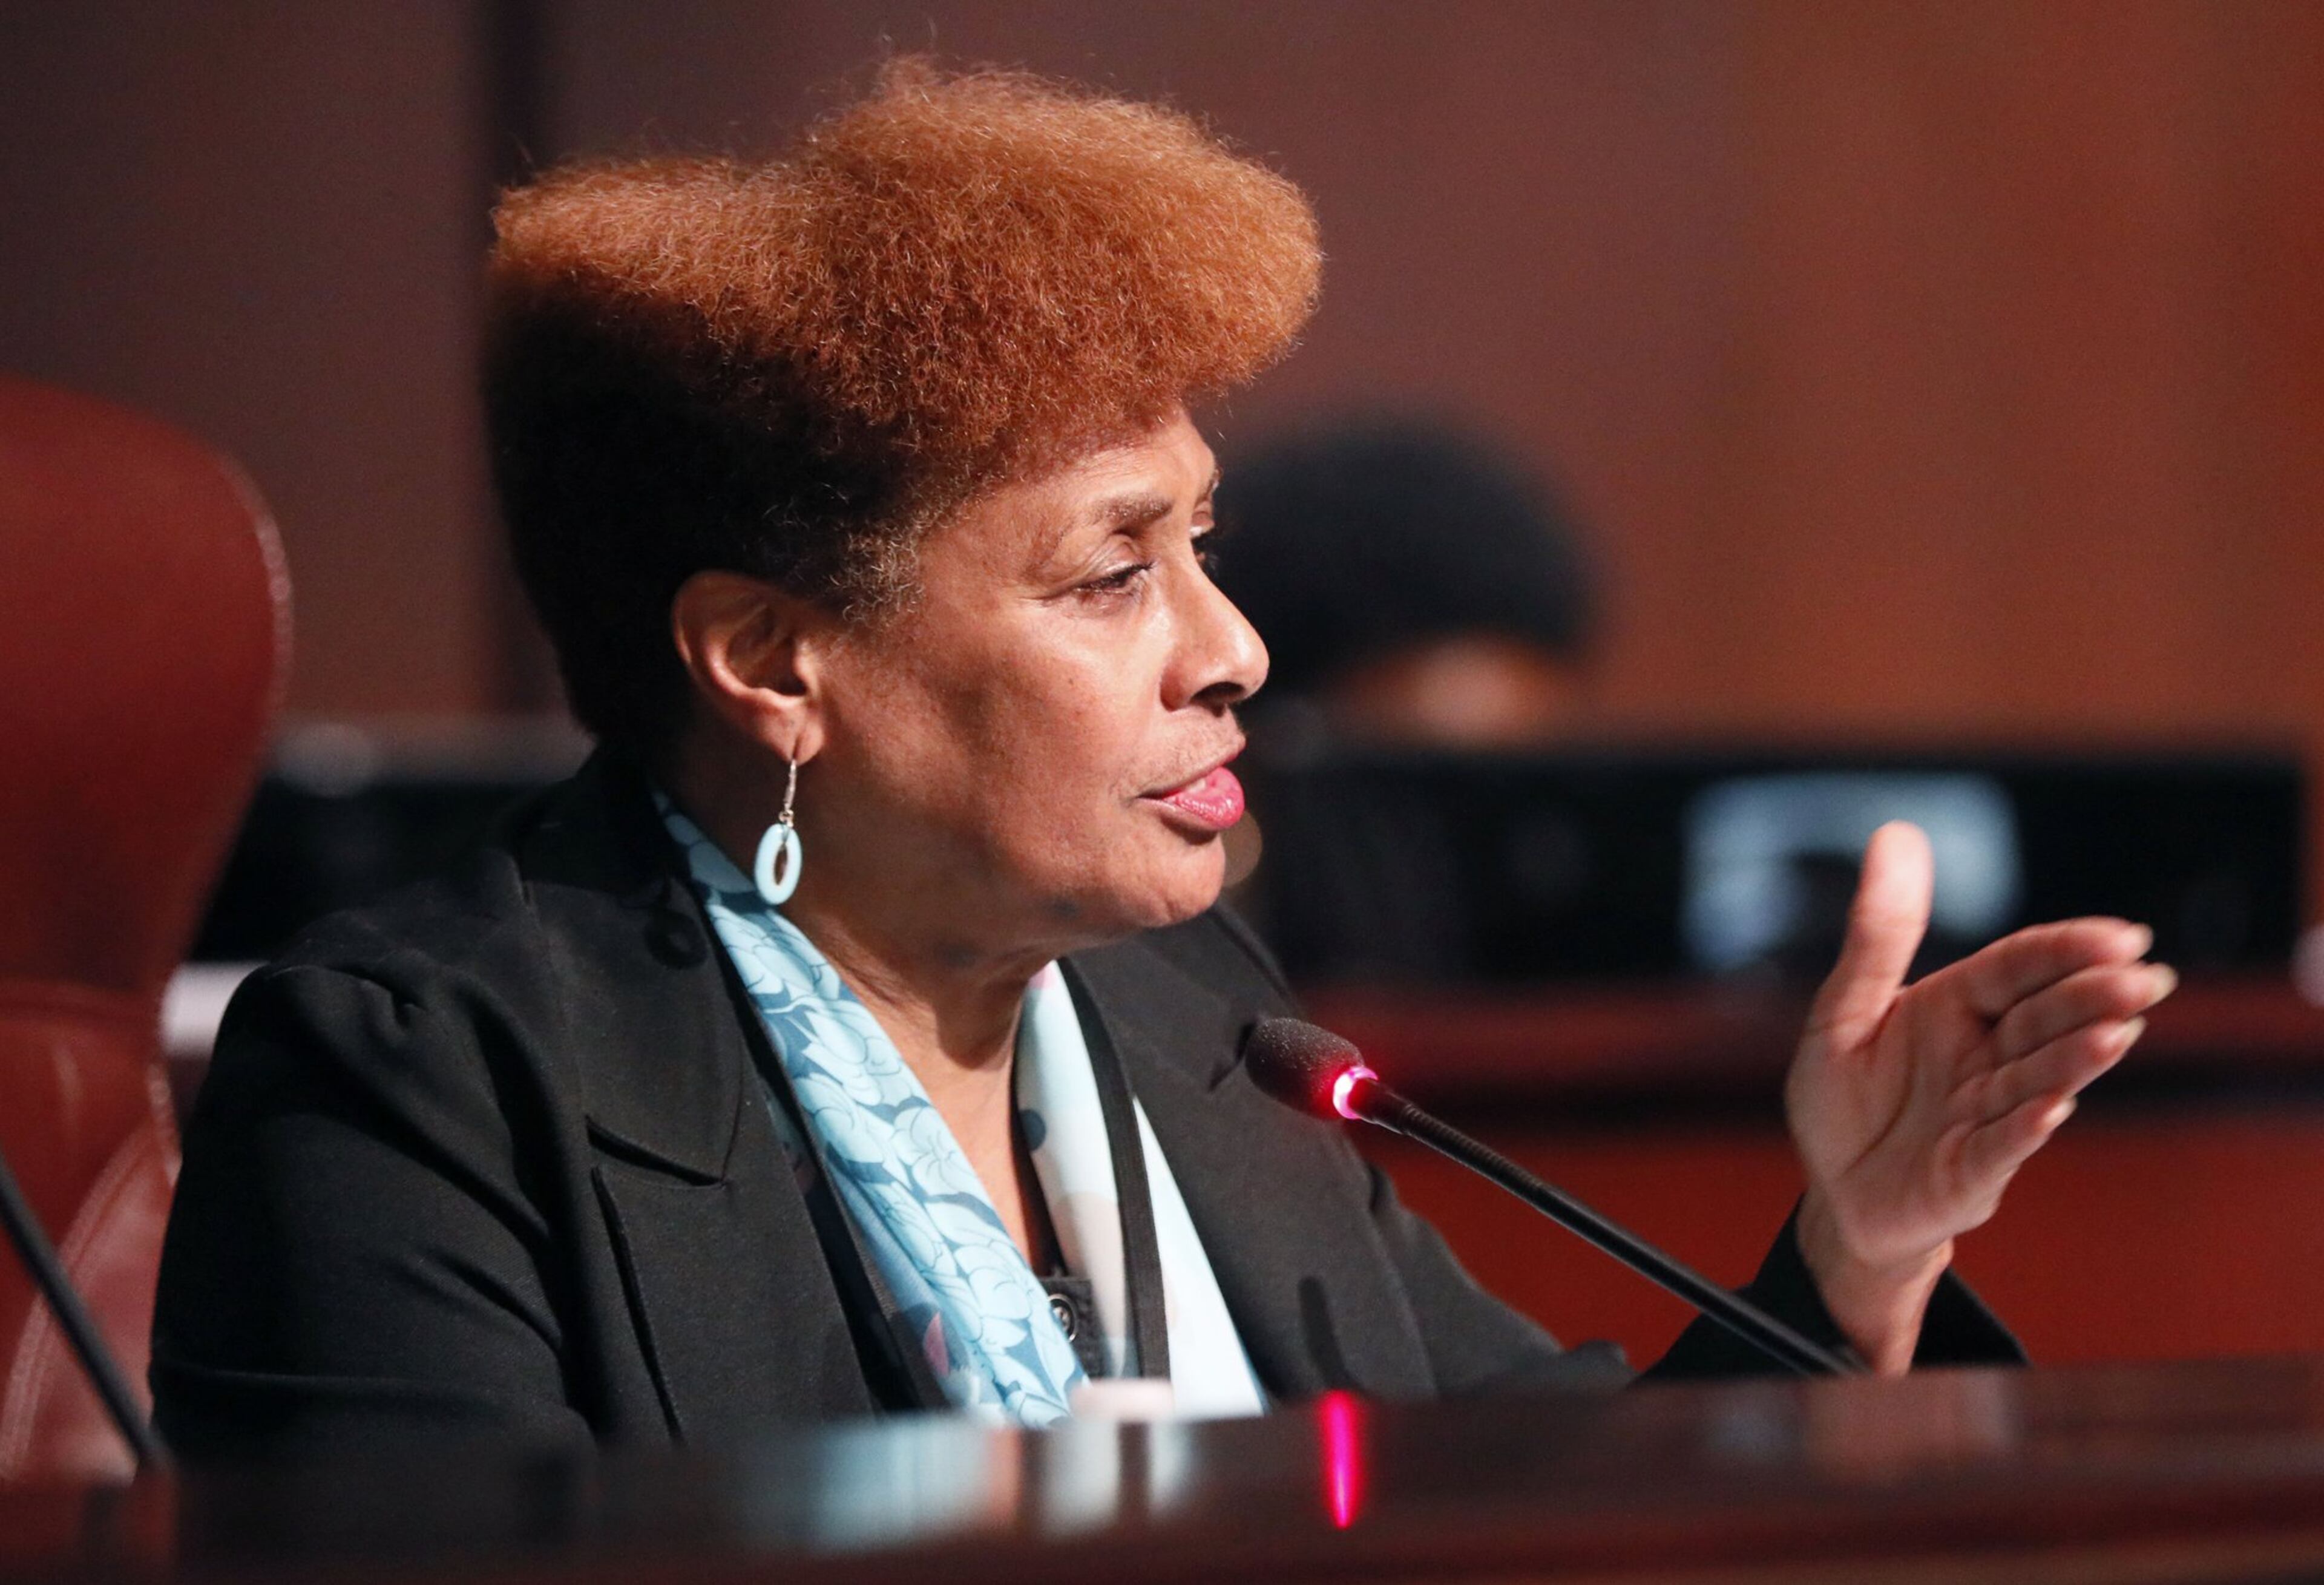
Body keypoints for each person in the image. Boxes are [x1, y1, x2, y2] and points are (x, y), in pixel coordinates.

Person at [152, 63, 2175, 1456]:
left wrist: (1859, 1249)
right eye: (1116, 572)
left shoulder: (1197, 1022)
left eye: (1200, 542)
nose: (1237, 651)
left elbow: (1576, 1522)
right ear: (775, 661)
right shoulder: (421, 1090)